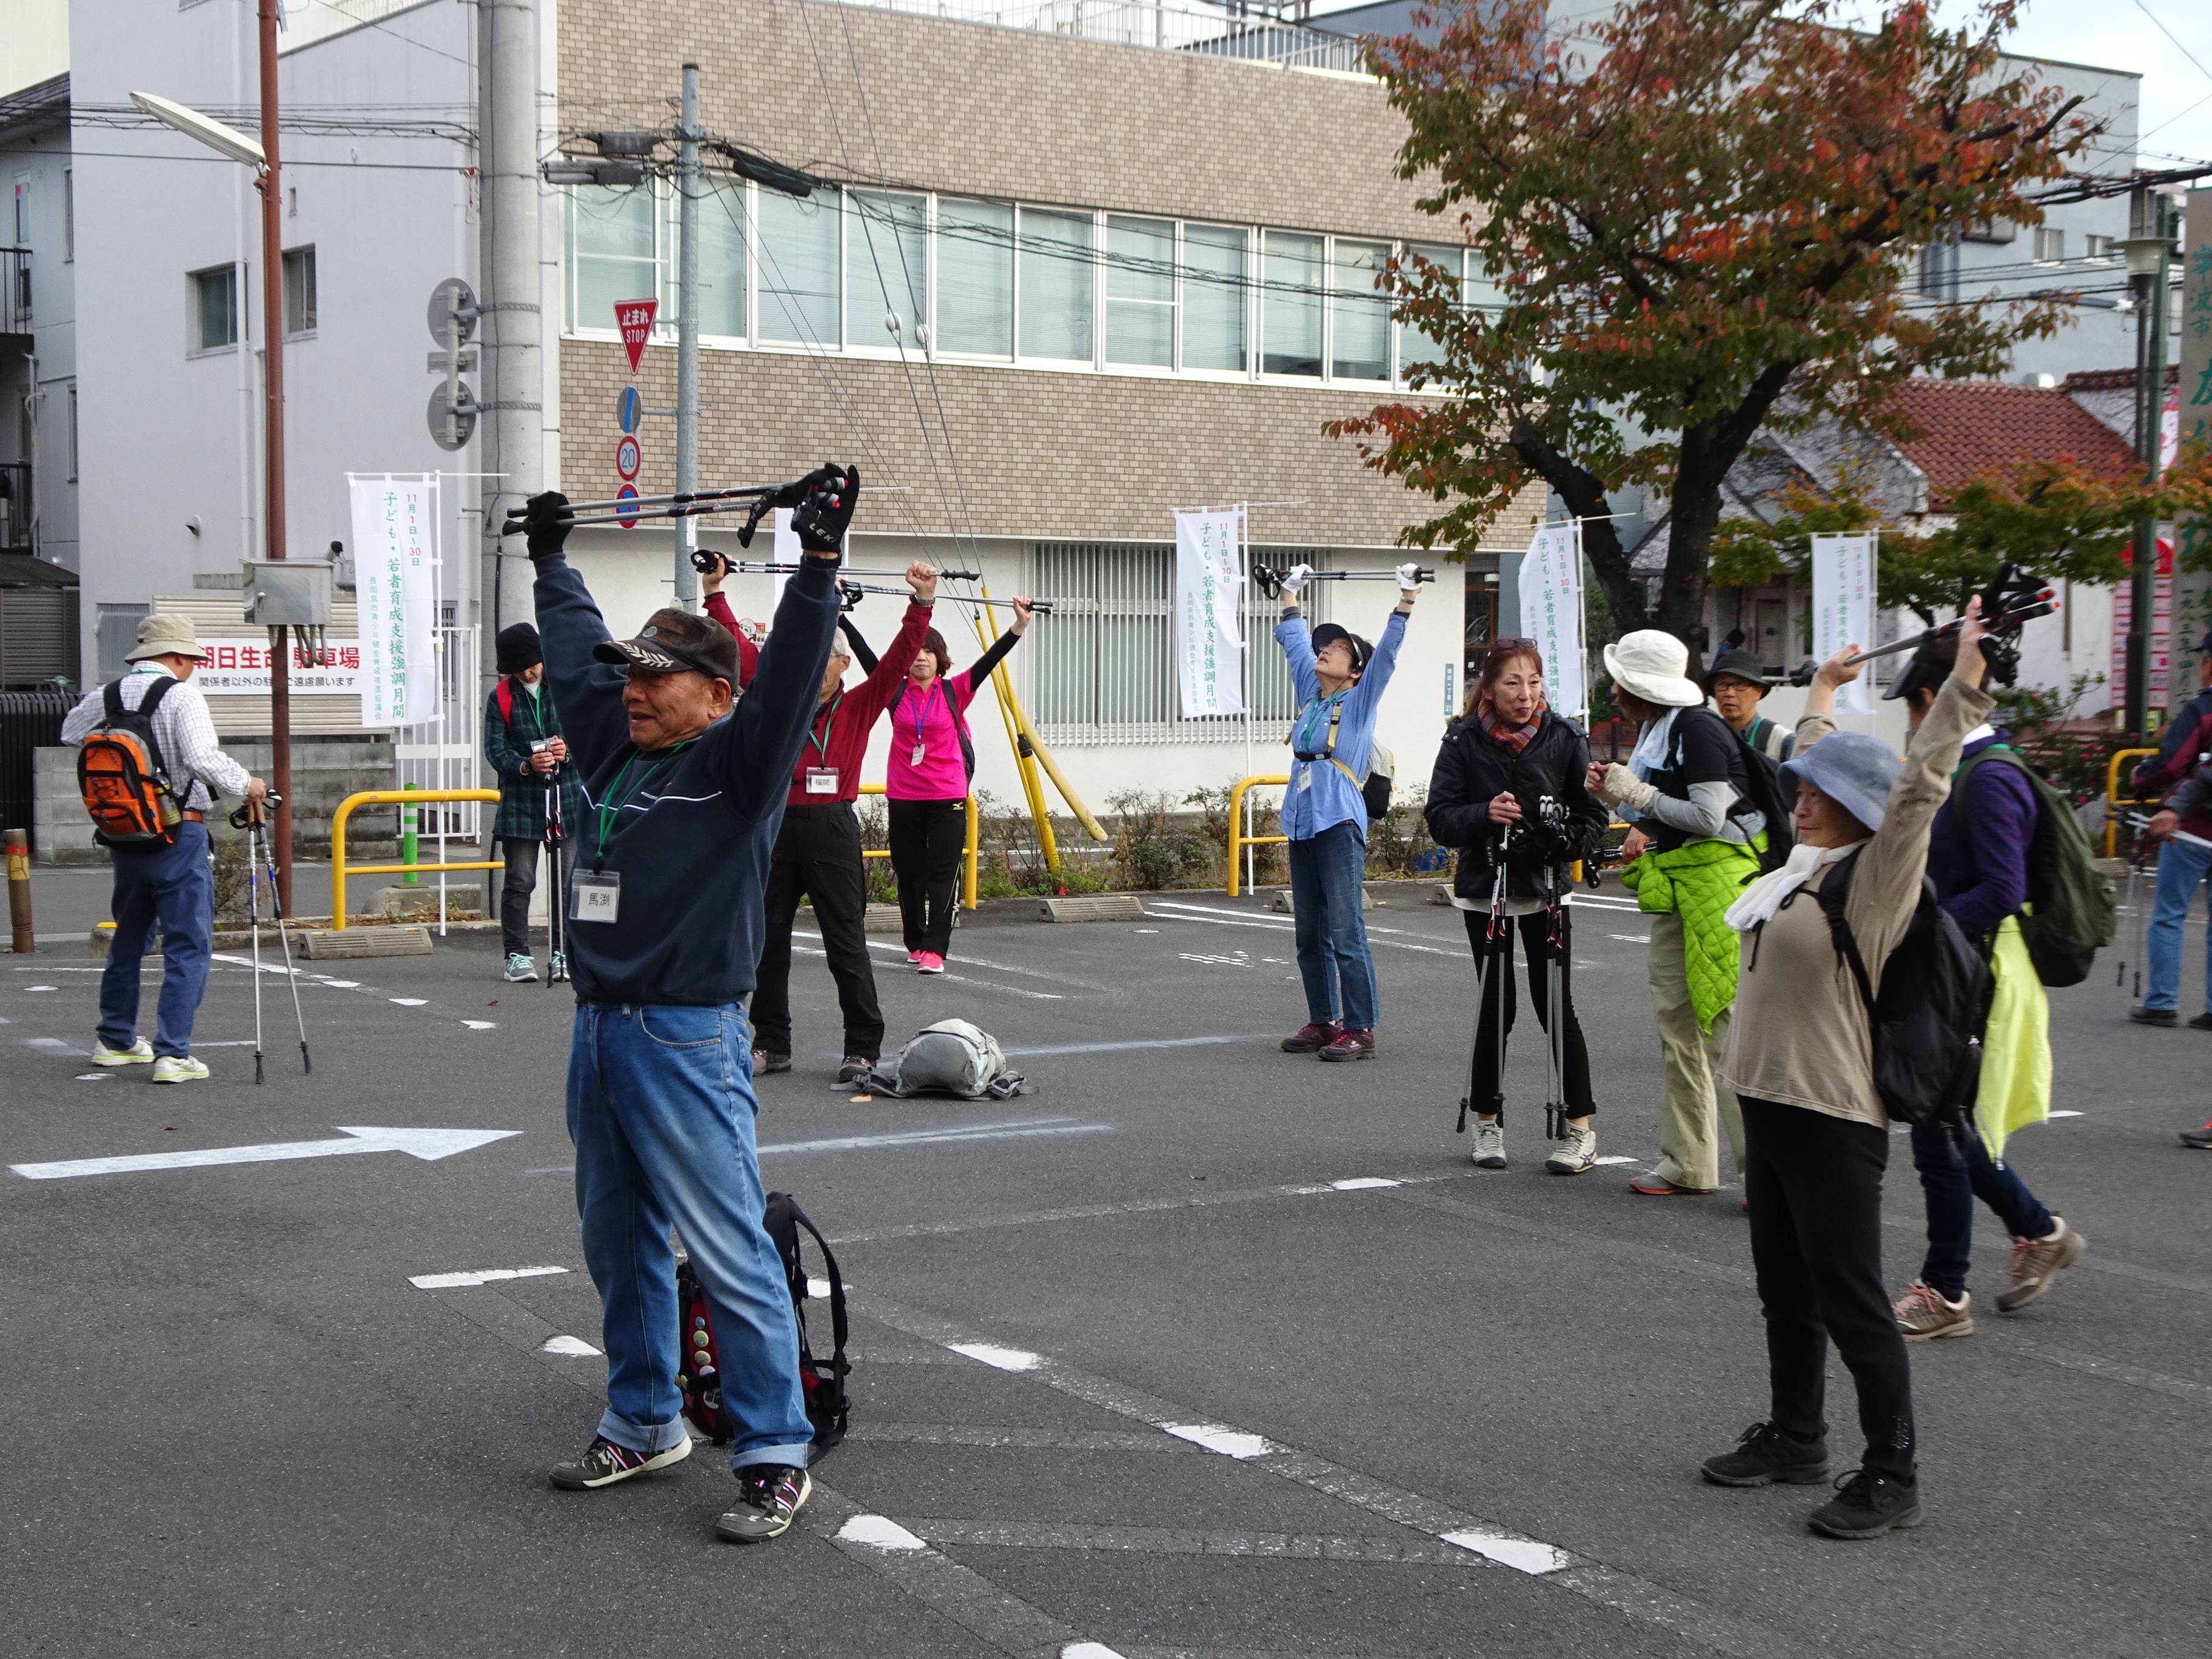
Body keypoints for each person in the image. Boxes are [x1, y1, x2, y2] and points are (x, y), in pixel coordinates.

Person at [517, 466, 853, 1546]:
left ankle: (770, 1452)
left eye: (658, 677)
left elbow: (796, 671)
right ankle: (644, 1418)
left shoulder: (739, 764)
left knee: (727, 1247)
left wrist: (818, 565)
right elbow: (572, 656)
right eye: (634, 675)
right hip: (602, 1029)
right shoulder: (615, 753)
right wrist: (551, 560)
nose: (633, 689)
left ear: (715, 694)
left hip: (688, 1032)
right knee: (617, 1240)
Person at [1700, 602, 1992, 1540]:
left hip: (1833, 1115)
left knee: (1853, 1300)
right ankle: (1796, 1436)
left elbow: (1917, 792)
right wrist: (1823, 692)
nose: (1803, 798)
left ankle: (1892, 1472)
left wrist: (1963, 685)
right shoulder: (1799, 868)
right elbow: (1827, 751)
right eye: (1803, 788)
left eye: (1819, 793)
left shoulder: (1871, 881)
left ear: (1859, 815)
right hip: (1769, 1104)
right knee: (1784, 1289)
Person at [1880, 634, 2085, 1338]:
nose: (1910, 727)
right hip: (1962, 967)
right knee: (1948, 1125)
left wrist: (1922, 929)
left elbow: (2003, 887)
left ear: (1931, 703)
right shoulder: (1965, 766)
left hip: (1984, 974)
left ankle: (1946, 1291)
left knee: (1938, 1130)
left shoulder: (1991, 776)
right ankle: (2039, 1229)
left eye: (1912, 710)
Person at [703, 558, 940, 1084]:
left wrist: (921, 604)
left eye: (824, 657)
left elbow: (899, 661)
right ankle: (771, 1042)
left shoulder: (860, 704)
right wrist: (715, 594)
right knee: (767, 941)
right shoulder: (780, 701)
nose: (813, 666)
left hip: (831, 827)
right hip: (775, 825)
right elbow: (742, 656)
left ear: (843, 663)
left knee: (846, 943)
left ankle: (862, 1047)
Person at [1587, 630, 1760, 1195]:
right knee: (1680, 1027)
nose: (1615, 691)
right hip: (1686, 885)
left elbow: (1709, 818)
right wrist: (1620, 793)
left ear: (1641, 687)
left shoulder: (1698, 728)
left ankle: (1767, 1178)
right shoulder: (1665, 728)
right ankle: (1689, 1163)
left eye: (1623, 682)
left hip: (1716, 887)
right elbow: (1669, 812)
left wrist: (1631, 794)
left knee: (1722, 1034)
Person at [61, 614, 267, 1083]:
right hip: (179, 833)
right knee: (187, 944)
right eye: (191, 659)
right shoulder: (182, 695)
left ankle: (115, 1040)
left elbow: (71, 733)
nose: (192, 667)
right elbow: (200, 757)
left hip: (126, 834)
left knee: (129, 939)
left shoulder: (108, 695)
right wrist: (247, 784)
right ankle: (173, 1054)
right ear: (178, 657)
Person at [1426, 637, 1607, 1170]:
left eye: (1533, 682)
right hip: (1487, 888)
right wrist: (1486, 812)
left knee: (1556, 1006)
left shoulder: (1564, 735)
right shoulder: (1462, 739)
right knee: (1494, 1007)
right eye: (1512, 682)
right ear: (1488, 686)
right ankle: (1487, 1124)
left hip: (1547, 886)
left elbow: (1590, 815)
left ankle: (1579, 1130)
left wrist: (1568, 839)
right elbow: (1441, 816)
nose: (1525, 694)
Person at [1273, 563, 1421, 1062]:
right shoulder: (1311, 694)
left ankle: (1360, 1028)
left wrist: (1406, 598)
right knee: (1308, 932)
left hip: (1338, 821)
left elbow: (1388, 659)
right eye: (1325, 645)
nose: (1325, 650)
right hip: (1301, 819)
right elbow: (1295, 644)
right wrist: (1290, 596)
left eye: (1336, 648)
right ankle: (1323, 1019)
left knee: (1345, 930)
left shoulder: (1359, 701)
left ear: (1355, 669)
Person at [884, 599, 1033, 974]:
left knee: (941, 872)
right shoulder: (894, 692)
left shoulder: (955, 691)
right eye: (915, 650)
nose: (921, 657)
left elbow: (990, 661)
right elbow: (870, 658)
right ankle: (915, 941)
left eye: (929, 650)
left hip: (947, 794)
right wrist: (840, 616)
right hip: (903, 795)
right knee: (908, 872)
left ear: (940, 658)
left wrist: (1018, 626)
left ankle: (936, 949)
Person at [483, 623, 582, 984]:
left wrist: (567, 750)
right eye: (520, 666)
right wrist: (525, 764)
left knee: (570, 880)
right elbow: (495, 749)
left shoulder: (565, 685)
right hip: (522, 800)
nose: (530, 670)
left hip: (566, 796)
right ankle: (517, 955)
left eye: (534, 663)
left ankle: (565, 953)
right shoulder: (502, 697)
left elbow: (588, 733)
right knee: (520, 879)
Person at [2128, 629, 2212, 1025]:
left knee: (2169, 913)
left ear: (2209, 663)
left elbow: (2173, 764)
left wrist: (2141, 777)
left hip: (2192, 826)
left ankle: (2162, 1002)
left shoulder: (2202, 709)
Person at [1708, 646, 1791, 763]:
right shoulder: (1708, 736)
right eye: (1722, 684)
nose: (1730, 693)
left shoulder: (1781, 740)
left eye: (1739, 685)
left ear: (1758, 692)